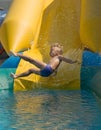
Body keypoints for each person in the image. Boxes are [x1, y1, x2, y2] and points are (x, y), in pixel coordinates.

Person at [10, 43, 80, 79]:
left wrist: (73, 61)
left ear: (57, 53)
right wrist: (54, 73)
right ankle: (16, 76)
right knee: (31, 70)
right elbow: (55, 68)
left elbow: (67, 60)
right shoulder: (54, 59)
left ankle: (17, 54)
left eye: (52, 50)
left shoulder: (59, 57)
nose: (50, 52)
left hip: (47, 68)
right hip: (45, 73)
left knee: (31, 60)